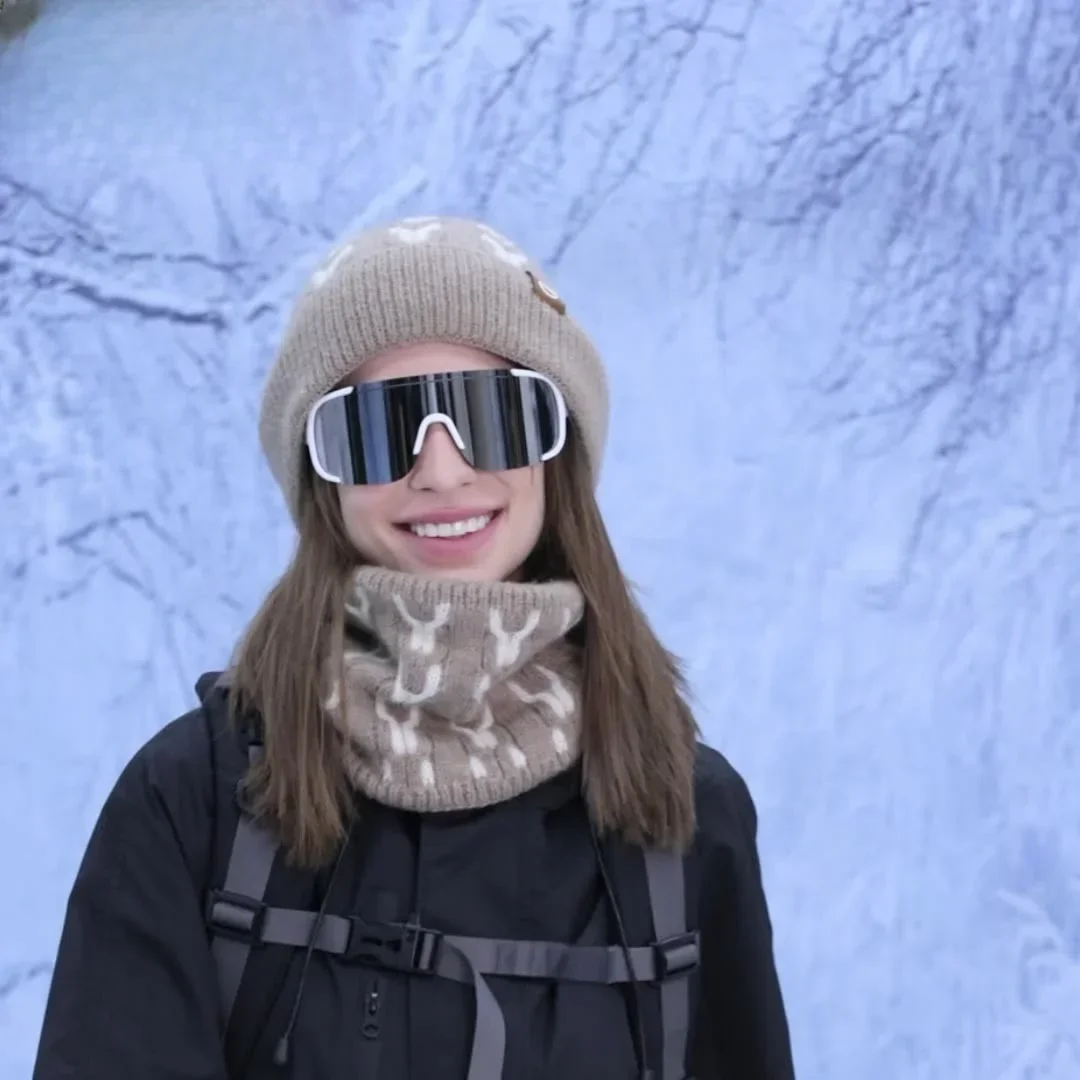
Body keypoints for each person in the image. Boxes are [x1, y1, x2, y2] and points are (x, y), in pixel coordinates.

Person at [32, 216, 796, 1079]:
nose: (440, 469)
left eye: (490, 415)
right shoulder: (193, 802)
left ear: (557, 452)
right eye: (379, 427)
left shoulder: (686, 815)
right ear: (324, 481)